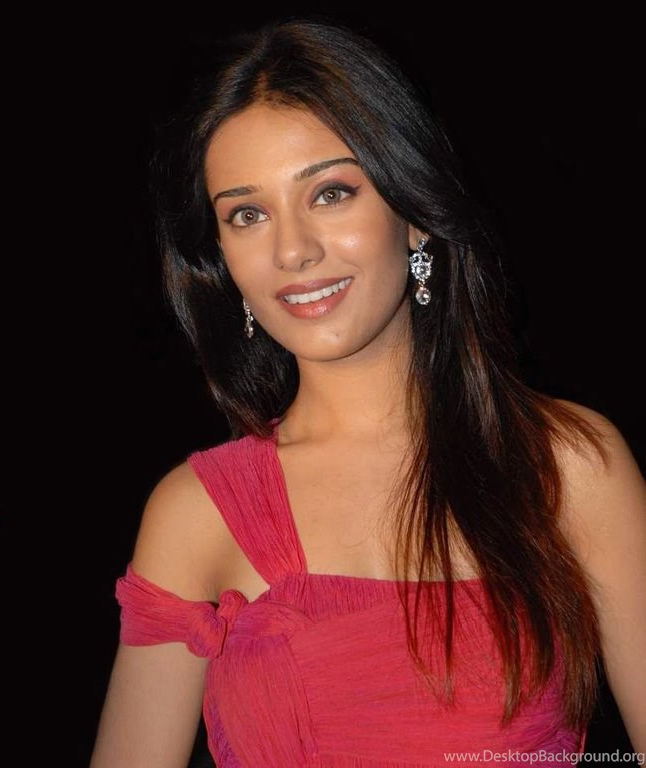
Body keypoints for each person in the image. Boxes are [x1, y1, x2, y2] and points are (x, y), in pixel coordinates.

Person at [90, 17, 645, 768]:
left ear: (412, 213)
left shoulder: (567, 468)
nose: (292, 250)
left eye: (331, 193)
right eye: (247, 214)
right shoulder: (197, 513)